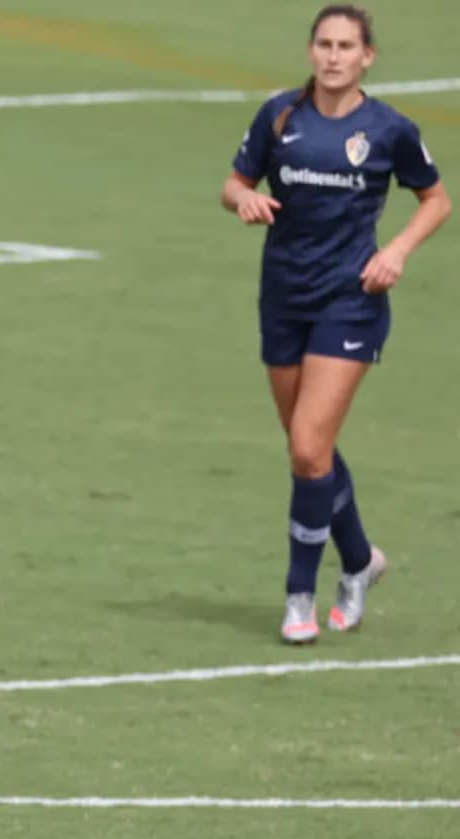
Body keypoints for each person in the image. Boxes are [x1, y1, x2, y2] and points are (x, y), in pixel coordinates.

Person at [221, 4, 448, 643]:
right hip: (283, 297)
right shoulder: (280, 115)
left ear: (367, 57)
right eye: (324, 43)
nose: (333, 55)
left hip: (349, 301)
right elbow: (233, 183)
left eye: (347, 45)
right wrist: (245, 199)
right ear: (311, 50)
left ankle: (299, 598)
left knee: (305, 446)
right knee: (310, 448)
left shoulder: (389, 130)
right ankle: (360, 563)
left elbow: (436, 199)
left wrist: (396, 251)